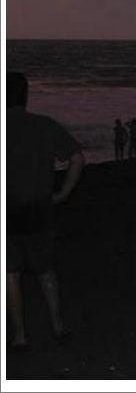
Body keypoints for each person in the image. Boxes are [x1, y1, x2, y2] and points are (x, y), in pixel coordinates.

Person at [6, 72, 85, 350]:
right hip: (40, 206)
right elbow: (76, 157)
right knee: (46, 271)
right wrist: (63, 192)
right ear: (25, 96)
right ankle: (58, 325)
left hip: (8, 209)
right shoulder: (44, 125)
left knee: (11, 274)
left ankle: (19, 335)